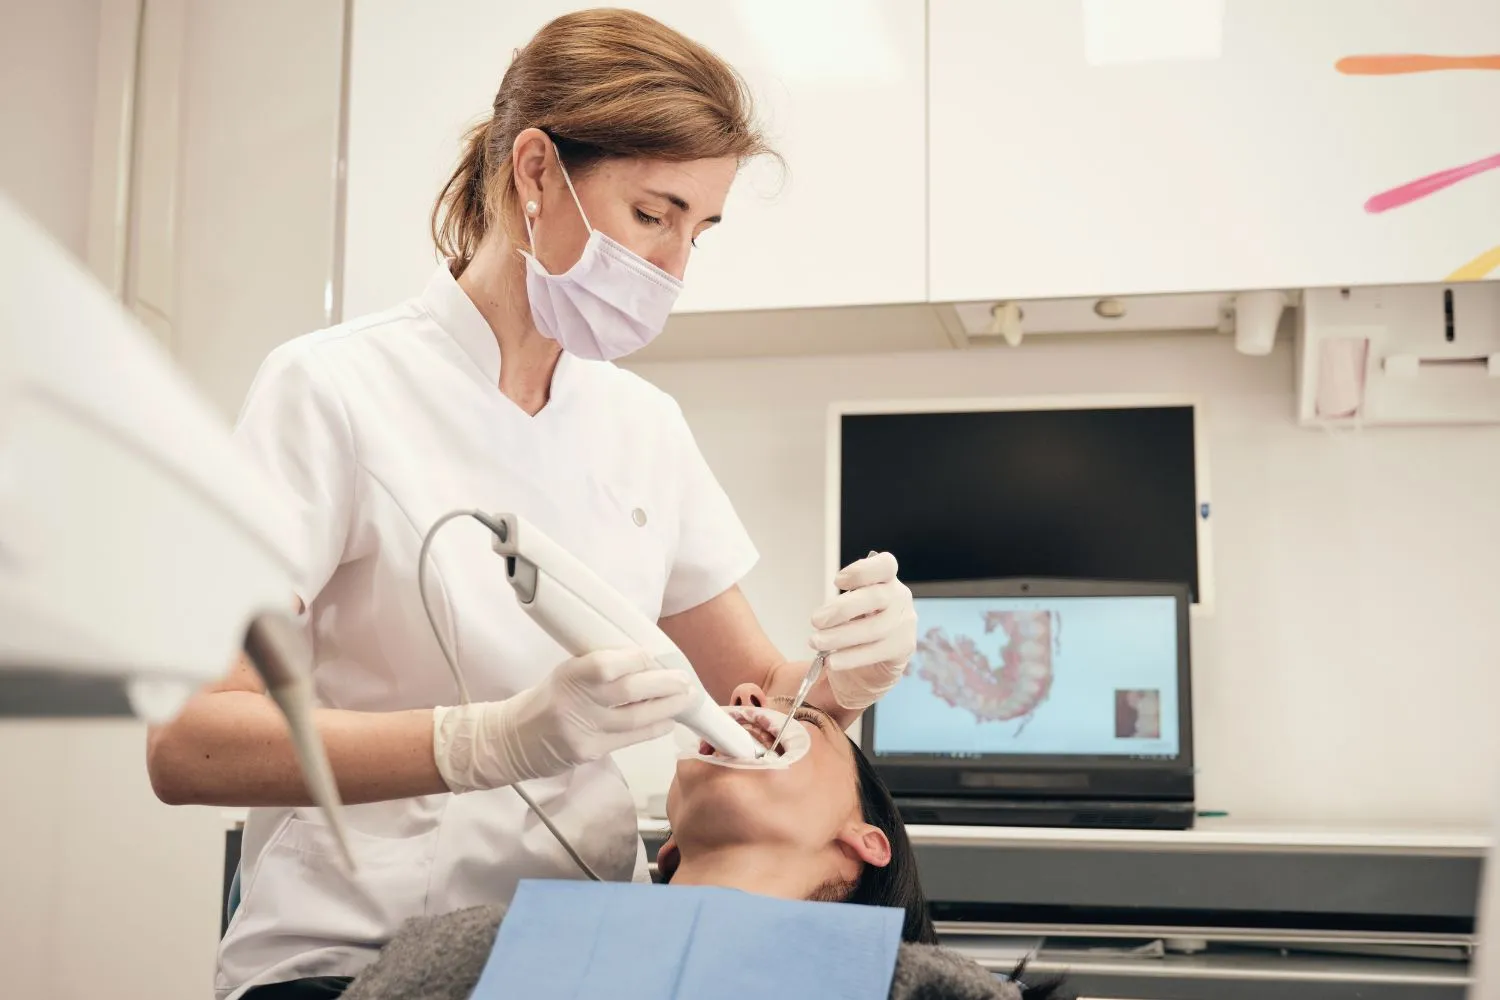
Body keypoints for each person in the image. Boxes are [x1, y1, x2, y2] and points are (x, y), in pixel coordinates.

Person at [143, 9, 919, 1000]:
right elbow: (187, 738)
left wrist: (850, 671)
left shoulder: (644, 427)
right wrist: (485, 741)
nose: (676, 267)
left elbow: (764, 694)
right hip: (352, 958)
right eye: (653, 214)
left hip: (587, 961)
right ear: (537, 171)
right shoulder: (332, 390)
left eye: (700, 230)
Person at [338, 684, 1068, 1000]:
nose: (745, 702)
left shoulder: (923, 990)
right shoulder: (476, 950)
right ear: (668, 851)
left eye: (803, 721)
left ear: (866, 841)